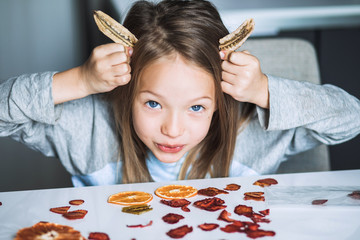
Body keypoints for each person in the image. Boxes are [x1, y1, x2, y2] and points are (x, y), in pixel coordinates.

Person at [1, 0, 359, 186]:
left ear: (220, 100)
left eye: (197, 108)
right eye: (154, 103)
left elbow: (350, 118)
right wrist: (78, 81)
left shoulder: (253, 134)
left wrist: (264, 90)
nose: (173, 129)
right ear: (126, 89)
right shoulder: (87, 129)